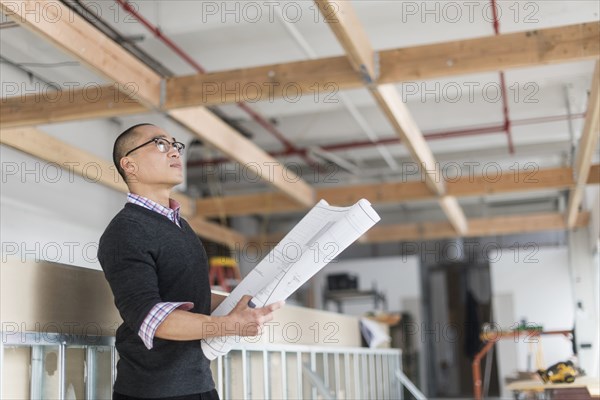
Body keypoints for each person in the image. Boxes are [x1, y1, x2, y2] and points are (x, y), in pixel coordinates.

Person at [98, 123, 283, 400]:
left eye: (176, 145)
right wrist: (231, 325)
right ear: (130, 165)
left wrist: (243, 303)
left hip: (197, 382)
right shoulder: (126, 230)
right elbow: (152, 319)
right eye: (161, 144)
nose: (174, 151)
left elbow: (189, 296)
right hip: (154, 391)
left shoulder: (180, 226)